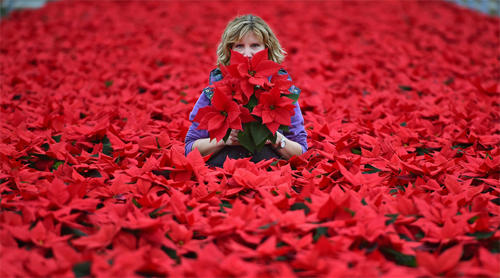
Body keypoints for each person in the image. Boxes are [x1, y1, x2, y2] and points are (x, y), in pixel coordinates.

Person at [184, 14, 307, 167]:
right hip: (222, 177)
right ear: (230, 51)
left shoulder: (283, 91)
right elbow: (189, 149)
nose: (247, 54)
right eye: (239, 46)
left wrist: (276, 138)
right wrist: (223, 140)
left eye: (255, 45)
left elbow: (301, 151)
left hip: (269, 179)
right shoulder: (214, 91)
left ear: (267, 49)